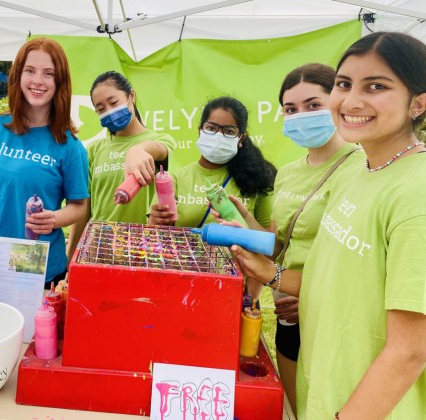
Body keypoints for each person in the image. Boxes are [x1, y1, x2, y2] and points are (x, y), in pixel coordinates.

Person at [232, 32, 426, 419]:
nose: (351, 101)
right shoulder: (358, 171)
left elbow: (408, 350)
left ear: (418, 103)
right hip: (323, 382)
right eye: (344, 84)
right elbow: (332, 278)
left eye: (376, 86)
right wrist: (272, 274)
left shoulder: (423, 192)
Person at [264, 63, 362, 415]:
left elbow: (356, 260)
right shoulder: (288, 172)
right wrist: (244, 226)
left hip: (331, 315)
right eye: (291, 109)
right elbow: (281, 244)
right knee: (295, 407)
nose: (300, 116)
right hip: (288, 312)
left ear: (337, 101)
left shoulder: (361, 167)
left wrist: (302, 289)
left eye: (313, 105)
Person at [0, 38, 89, 286]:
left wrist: (54, 219)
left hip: (34, 260)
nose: (38, 81)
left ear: (59, 82)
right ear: (18, 75)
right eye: (30, 70)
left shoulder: (69, 146)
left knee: (32, 326)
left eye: (48, 73)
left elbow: (79, 206)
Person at [66, 71, 176, 258]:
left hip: (141, 253)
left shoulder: (160, 140)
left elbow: (160, 150)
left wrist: (138, 150)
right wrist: (70, 260)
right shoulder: (94, 150)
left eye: (113, 102)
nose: (109, 111)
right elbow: (83, 210)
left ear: (131, 96)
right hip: (98, 251)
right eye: (101, 108)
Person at [148, 96, 275, 229]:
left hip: (238, 251)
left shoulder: (259, 180)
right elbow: (155, 234)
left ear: (240, 139)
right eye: (211, 128)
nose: (218, 136)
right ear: (200, 131)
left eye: (229, 131)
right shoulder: (175, 179)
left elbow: (270, 242)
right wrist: (155, 222)